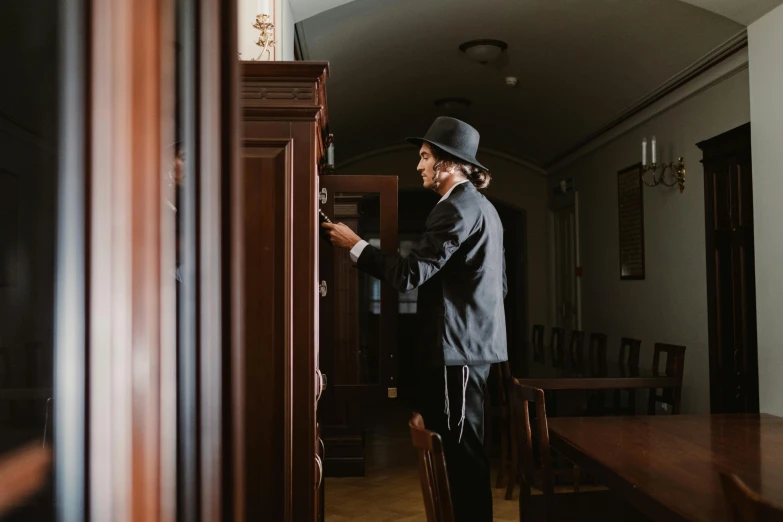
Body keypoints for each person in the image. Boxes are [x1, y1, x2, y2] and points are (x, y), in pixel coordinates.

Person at [322, 116, 507, 521]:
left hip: (458, 351)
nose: (419, 166)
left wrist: (356, 246)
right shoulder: (484, 208)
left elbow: (409, 276)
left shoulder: (456, 207)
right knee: (464, 450)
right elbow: (500, 287)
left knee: (462, 454)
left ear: (450, 164)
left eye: (425, 157)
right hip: (471, 348)